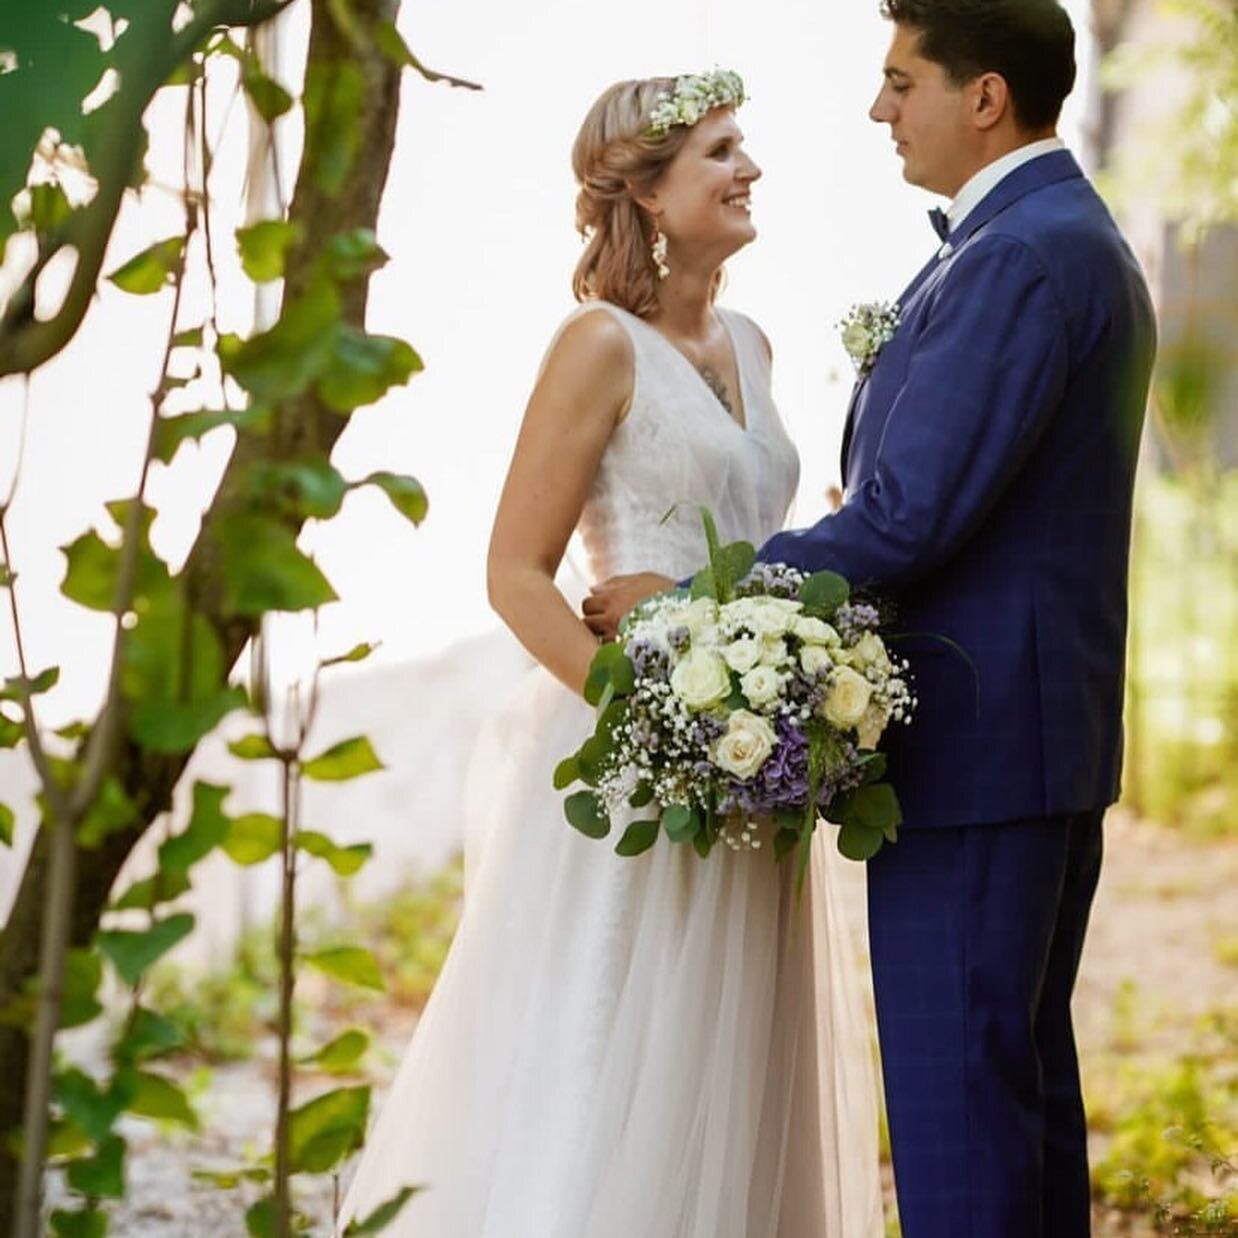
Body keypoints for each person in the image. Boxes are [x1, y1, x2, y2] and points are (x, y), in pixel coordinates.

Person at [584, 4, 1158, 1236]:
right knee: (1014, 1100)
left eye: (900, 81)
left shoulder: (1015, 255)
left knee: (962, 1124)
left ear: (985, 97)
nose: (877, 109)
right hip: (1024, 740)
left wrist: (692, 609)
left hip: (977, 749)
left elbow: (903, 519)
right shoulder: (1047, 236)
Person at [335, 71, 884, 1238]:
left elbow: (757, 543)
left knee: (725, 1052)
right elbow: (514, 573)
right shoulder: (596, 345)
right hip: (633, 756)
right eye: (720, 152)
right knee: (606, 1049)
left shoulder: (753, 340)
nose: (749, 170)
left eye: (744, 148)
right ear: (644, 193)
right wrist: (647, 711)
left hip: (749, 759)